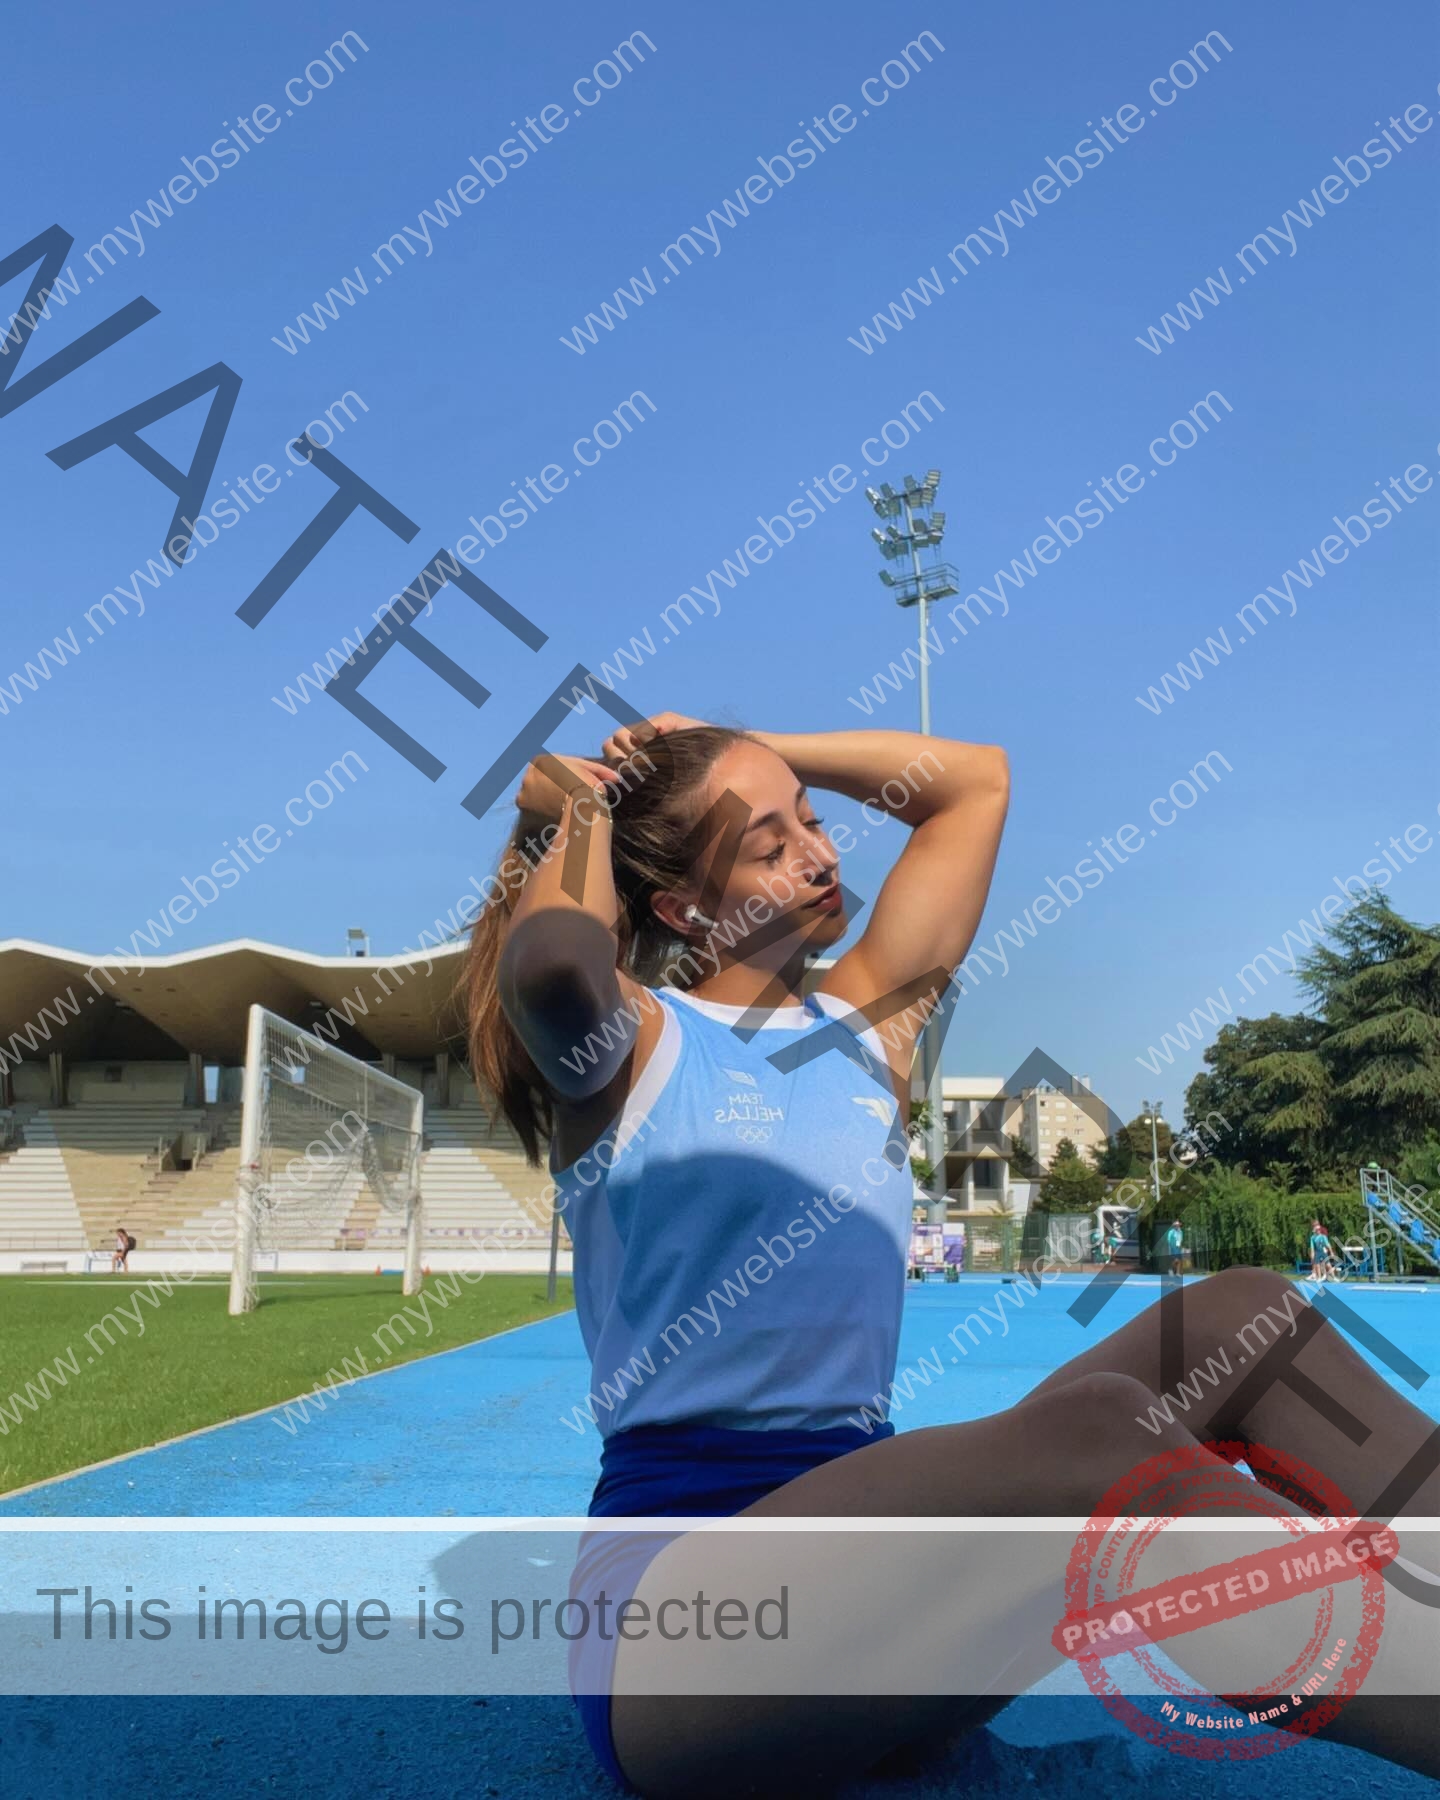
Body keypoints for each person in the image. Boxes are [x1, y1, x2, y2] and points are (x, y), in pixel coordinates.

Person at [468, 713, 1440, 1798]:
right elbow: (554, 962)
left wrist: (750, 743)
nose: (819, 855)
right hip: (690, 1628)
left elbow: (973, 783)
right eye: (769, 846)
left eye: (813, 822)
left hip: (887, 1579)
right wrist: (582, 807)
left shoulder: (868, 1028)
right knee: (1097, 1434)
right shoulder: (629, 1044)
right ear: (684, 909)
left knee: (1245, 1320)